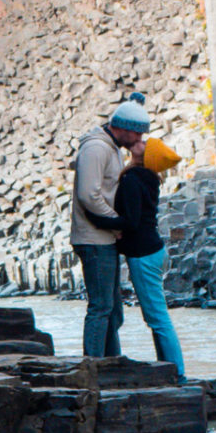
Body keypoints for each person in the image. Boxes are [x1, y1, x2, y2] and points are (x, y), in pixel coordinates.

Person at [69, 94, 150, 359]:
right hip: (94, 239)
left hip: (104, 237)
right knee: (101, 307)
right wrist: (116, 222)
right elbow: (88, 195)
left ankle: (112, 361)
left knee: (113, 308)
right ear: (123, 129)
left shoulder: (112, 146)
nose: (140, 141)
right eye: (137, 135)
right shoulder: (96, 148)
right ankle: (93, 364)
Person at [114, 134, 185, 376]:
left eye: (145, 144)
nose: (139, 141)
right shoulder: (149, 178)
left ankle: (178, 373)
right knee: (157, 317)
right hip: (152, 250)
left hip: (143, 254)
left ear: (148, 155)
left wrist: (103, 222)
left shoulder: (133, 179)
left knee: (158, 318)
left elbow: (131, 221)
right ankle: (169, 368)